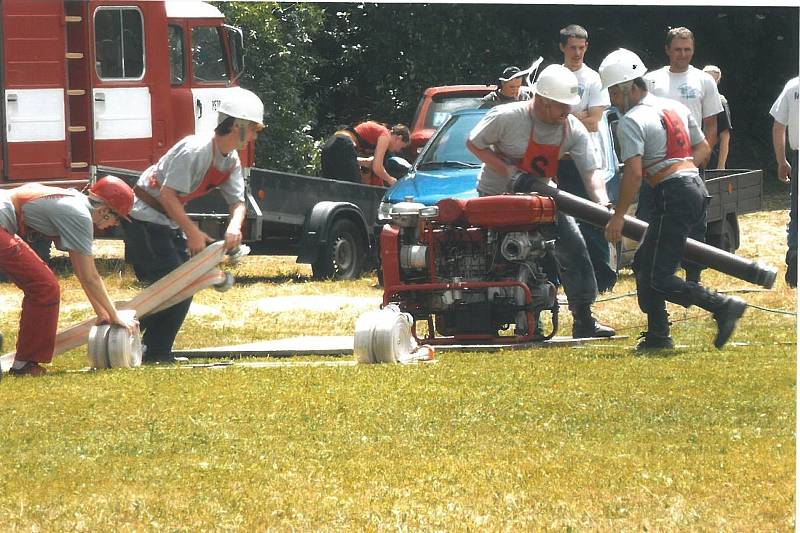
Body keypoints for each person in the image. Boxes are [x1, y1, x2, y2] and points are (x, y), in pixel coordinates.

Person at [599, 48, 746, 351]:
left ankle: (721, 306)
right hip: (693, 187)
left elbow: (634, 174)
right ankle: (658, 335)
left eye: (614, 93)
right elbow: (704, 147)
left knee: (659, 275)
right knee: (644, 263)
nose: (612, 101)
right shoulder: (674, 108)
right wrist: (680, 166)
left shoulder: (630, 121)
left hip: (672, 193)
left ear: (628, 88)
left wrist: (619, 216)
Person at [466, 64, 615, 339]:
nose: (568, 111)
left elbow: (590, 171)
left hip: (542, 198)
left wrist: (603, 204)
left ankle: (584, 318)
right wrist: (510, 173)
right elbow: (474, 143)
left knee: (575, 247)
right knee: (500, 259)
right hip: (496, 199)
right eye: (562, 106)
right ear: (543, 101)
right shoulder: (506, 117)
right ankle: (521, 319)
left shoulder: (572, 128)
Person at [121, 87, 264, 362]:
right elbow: (166, 194)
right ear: (238, 126)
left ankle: (151, 349)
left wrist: (234, 226)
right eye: (255, 129)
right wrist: (193, 233)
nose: (256, 136)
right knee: (175, 287)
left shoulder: (230, 160)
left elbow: (238, 203)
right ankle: (152, 350)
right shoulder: (196, 149)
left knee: (178, 287)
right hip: (144, 218)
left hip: (163, 220)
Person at [0, 176, 138, 376]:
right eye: (117, 218)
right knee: (44, 287)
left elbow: (82, 274)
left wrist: (103, 314)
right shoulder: (80, 216)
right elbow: (89, 275)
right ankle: (25, 365)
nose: (114, 225)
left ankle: (24, 362)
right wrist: (115, 316)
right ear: (104, 211)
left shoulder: (72, 200)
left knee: (43, 285)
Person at [643, 27, 720, 284]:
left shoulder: (704, 81)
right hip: (656, 161)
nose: (683, 54)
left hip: (691, 160)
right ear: (667, 50)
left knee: (694, 220)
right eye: (678, 49)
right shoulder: (651, 80)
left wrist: (703, 153)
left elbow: (711, 124)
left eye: (687, 49)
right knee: (653, 216)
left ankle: (693, 277)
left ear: (693, 49)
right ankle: (656, 274)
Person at [556, 23, 617, 293]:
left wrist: (563, 117)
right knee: (561, 223)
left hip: (587, 160)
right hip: (559, 160)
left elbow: (594, 121)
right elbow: (542, 117)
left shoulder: (593, 78)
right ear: (562, 48)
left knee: (594, 219)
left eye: (582, 48)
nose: (577, 53)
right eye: (572, 48)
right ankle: (564, 278)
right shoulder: (552, 76)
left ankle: (603, 277)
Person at [770, 76, 799, 288]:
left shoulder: (793, 86)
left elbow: (779, 126)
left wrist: (782, 161)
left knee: (797, 211)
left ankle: (795, 253)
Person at [320, 121, 409, 186]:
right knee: (353, 189)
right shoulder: (385, 135)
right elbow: (377, 168)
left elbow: (346, 158)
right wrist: (391, 180)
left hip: (331, 144)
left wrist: (365, 161)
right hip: (343, 143)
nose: (397, 151)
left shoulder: (373, 137)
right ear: (398, 138)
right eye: (401, 147)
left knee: (329, 185)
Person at [702, 65, 733, 170]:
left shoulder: (720, 102)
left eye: (712, 80)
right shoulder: (694, 100)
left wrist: (721, 166)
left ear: (717, 82)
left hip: (710, 160)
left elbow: (725, 135)